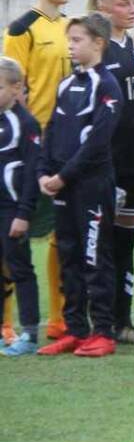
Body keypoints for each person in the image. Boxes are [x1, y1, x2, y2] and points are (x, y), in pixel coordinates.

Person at [35, 13, 123, 358]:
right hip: (62, 187)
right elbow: (52, 130)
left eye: (76, 40)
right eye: (68, 40)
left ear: (98, 43)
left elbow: (98, 141)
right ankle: (74, 329)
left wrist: (64, 175)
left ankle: (103, 332)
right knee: (68, 256)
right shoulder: (66, 83)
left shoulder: (107, 85)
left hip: (92, 185)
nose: (69, 46)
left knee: (95, 257)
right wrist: (44, 171)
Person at [3, 0, 73, 342]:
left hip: (65, 145)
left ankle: (58, 320)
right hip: (31, 145)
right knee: (12, 232)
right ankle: (6, 322)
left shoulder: (71, 27)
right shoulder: (22, 29)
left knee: (60, 232)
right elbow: (13, 88)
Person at [86, 0, 134, 345]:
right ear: (103, 8)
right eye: (123, 3)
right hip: (104, 166)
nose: (132, 9)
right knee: (102, 245)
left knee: (126, 246)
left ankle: (123, 321)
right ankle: (99, 321)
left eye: (133, 2)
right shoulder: (96, 53)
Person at [0, 58, 43, 356]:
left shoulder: (25, 124)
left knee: (20, 269)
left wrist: (23, 213)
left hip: (12, 211)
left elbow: (31, 173)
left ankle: (29, 334)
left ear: (17, 88)